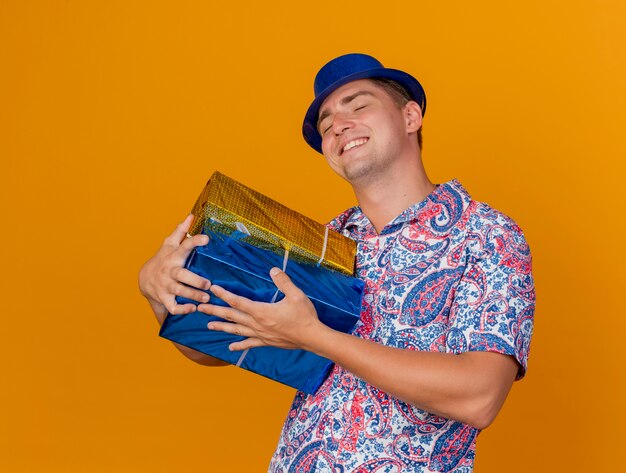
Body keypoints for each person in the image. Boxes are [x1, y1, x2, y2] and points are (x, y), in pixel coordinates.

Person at [139, 53, 535, 472]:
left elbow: (479, 398)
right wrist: (160, 295)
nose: (338, 126)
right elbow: (220, 345)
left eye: (358, 105)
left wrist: (314, 335)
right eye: (326, 125)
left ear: (410, 116)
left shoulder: (485, 234)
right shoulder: (323, 244)